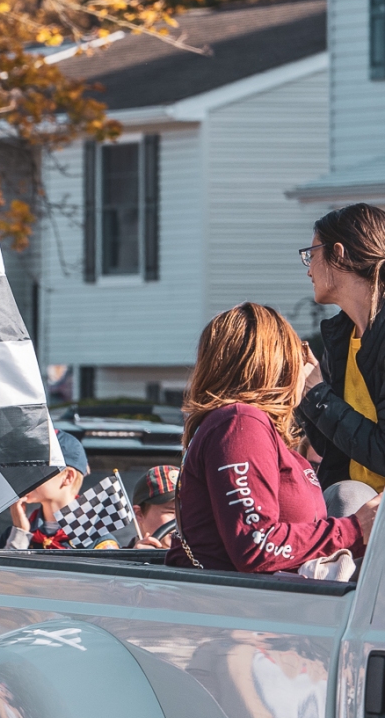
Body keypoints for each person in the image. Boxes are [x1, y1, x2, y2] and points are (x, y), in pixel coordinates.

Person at [167, 303, 378, 574]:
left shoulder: (243, 425)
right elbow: (257, 546)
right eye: (299, 351)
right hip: (240, 598)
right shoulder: (240, 422)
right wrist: (355, 529)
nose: (305, 363)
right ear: (276, 361)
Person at [296, 204, 385, 489]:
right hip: (356, 505)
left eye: (312, 255)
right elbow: (332, 447)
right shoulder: (340, 337)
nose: (309, 270)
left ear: (338, 253)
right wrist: (306, 394)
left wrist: (319, 395)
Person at [4, 431, 95, 549]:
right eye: (25, 467)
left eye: (38, 468)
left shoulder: (94, 540)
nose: (26, 475)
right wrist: (19, 536)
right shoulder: (14, 534)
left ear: (68, 477)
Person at [131, 465, 179, 544]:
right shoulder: (112, 550)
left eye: (189, 513)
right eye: (171, 512)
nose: (182, 521)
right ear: (139, 514)